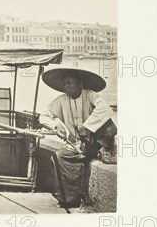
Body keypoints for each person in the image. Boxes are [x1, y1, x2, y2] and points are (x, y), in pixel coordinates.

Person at [38, 67, 116, 207]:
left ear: (79, 84)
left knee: (109, 128)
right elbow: (43, 116)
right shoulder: (62, 100)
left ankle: (104, 152)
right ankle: (70, 197)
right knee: (58, 157)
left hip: (95, 142)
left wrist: (88, 126)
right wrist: (56, 126)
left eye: (69, 83)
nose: (65, 87)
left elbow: (104, 109)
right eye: (64, 84)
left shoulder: (90, 95)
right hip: (76, 145)